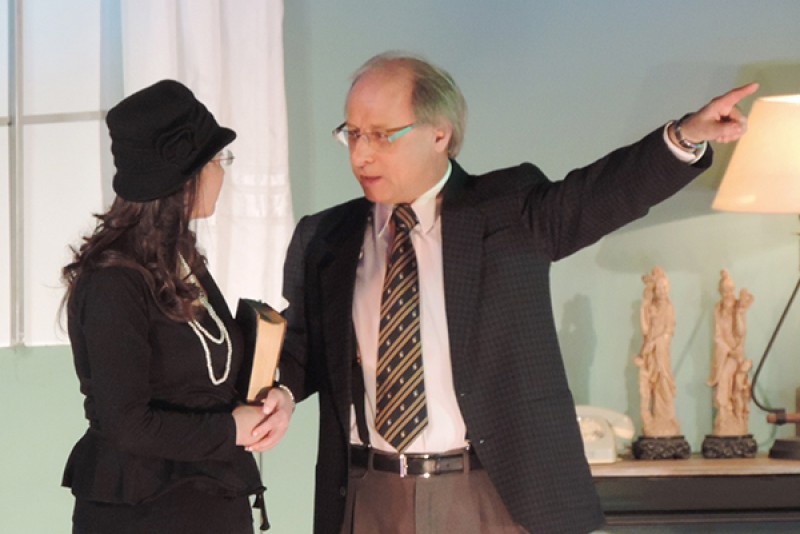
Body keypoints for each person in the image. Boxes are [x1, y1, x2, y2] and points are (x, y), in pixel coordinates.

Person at [275, 51, 757, 533]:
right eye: (353, 134)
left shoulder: (508, 211)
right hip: (370, 496)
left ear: (439, 133)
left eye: (382, 135)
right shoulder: (325, 237)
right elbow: (303, 348)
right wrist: (281, 391)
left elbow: (602, 193)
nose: (360, 155)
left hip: (488, 494)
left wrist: (686, 136)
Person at [61, 80, 292, 534]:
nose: (222, 173)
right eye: (218, 161)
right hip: (143, 512)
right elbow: (127, 424)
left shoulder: (179, 257)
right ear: (186, 177)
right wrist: (231, 430)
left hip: (209, 500)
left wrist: (276, 396)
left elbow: (207, 378)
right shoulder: (113, 281)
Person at [634, 266, 680, 437]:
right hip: (651, 353)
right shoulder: (652, 307)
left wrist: (654, 343)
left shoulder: (669, 308)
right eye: (658, 288)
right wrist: (644, 306)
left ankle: (667, 418)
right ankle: (655, 418)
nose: (660, 291)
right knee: (652, 385)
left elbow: (668, 332)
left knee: (664, 380)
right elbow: (645, 329)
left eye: (663, 288)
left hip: (661, 351)